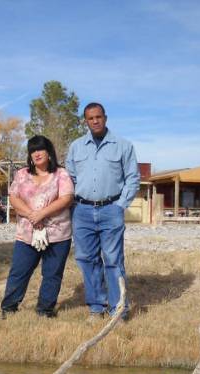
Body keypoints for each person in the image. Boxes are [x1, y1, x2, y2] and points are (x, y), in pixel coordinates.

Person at [66, 102, 140, 319]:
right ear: (85, 121)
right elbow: (69, 179)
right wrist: (73, 205)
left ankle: (118, 309)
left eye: (98, 117)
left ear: (105, 118)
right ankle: (96, 307)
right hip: (82, 211)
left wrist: (120, 206)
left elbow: (132, 178)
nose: (95, 121)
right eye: (90, 118)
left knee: (113, 260)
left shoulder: (123, 146)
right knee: (86, 259)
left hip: (111, 209)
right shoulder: (76, 147)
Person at [0, 135, 74, 318]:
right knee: (19, 271)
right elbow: (14, 197)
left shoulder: (61, 174)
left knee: (52, 273)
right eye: (32, 150)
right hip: (27, 234)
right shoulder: (22, 174)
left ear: (49, 152)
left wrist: (42, 213)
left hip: (57, 234)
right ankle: (9, 308)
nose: (36, 153)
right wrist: (32, 215)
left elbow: (66, 198)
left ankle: (45, 310)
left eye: (40, 149)